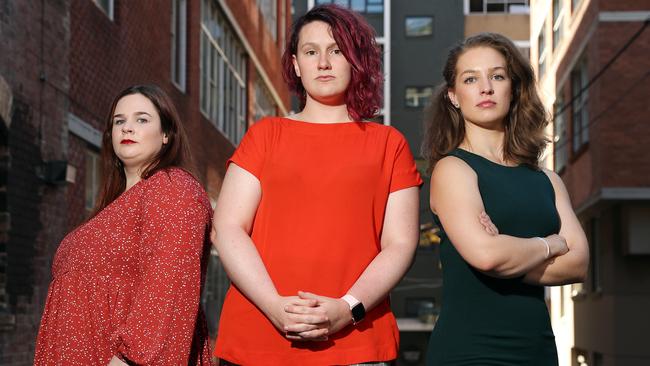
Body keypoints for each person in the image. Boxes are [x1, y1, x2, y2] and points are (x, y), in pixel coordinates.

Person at [212, 4, 422, 365]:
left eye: (336, 51)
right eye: (311, 52)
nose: (323, 62)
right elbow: (228, 227)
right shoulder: (265, 135)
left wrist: (348, 309)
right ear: (296, 64)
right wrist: (274, 306)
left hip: (356, 344)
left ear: (355, 60)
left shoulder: (389, 143)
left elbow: (400, 244)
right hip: (260, 339)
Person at [422, 32, 589, 365]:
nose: (486, 87)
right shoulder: (453, 170)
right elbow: (488, 257)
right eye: (471, 79)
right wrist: (553, 244)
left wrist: (505, 252)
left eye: (497, 76)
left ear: (513, 88)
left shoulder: (548, 180)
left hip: (538, 351)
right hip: (469, 352)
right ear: (454, 96)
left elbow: (579, 264)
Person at [34, 84, 214, 365]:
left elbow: (170, 282)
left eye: (142, 119)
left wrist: (131, 359)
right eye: (119, 121)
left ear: (166, 134)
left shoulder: (172, 188)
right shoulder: (111, 207)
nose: (127, 128)